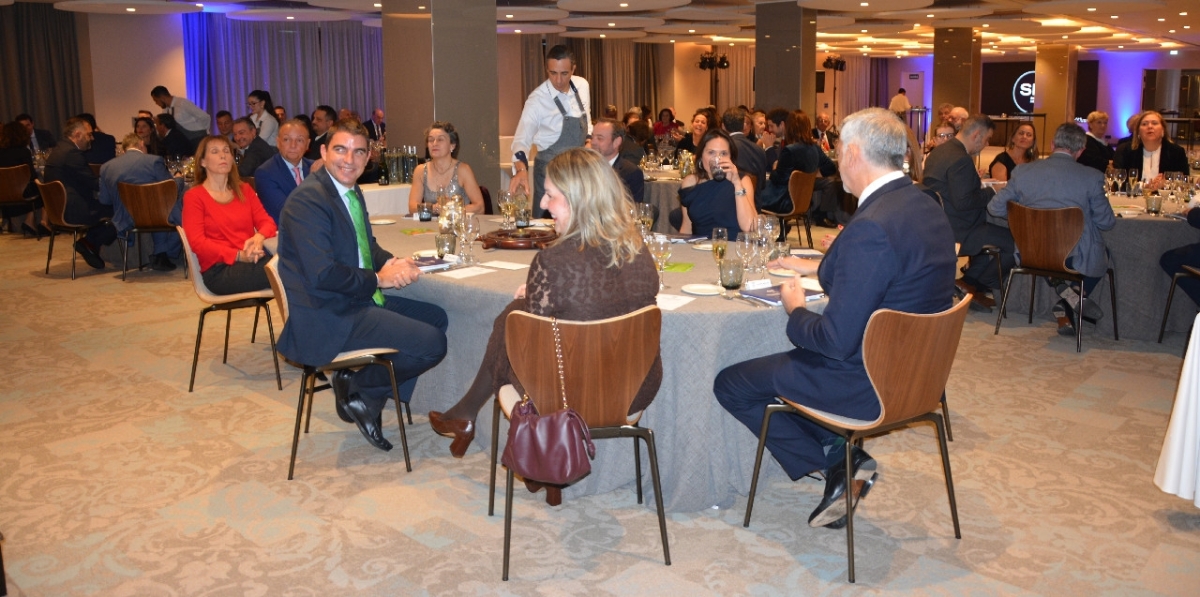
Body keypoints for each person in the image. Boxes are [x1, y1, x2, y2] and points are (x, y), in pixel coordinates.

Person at [715, 107, 957, 530]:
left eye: (840, 148)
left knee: (732, 383)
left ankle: (837, 461)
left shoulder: (873, 225)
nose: (836, 158)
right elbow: (894, 268)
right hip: (919, 375)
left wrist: (795, 310)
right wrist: (820, 265)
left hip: (866, 381)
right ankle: (838, 456)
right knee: (781, 367)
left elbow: (834, 340)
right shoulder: (923, 204)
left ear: (854, 153)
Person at [428, 147, 661, 505]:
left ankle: (472, 417)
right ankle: (469, 417)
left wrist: (533, 296)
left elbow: (534, 353)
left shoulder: (551, 262)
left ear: (579, 199)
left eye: (551, 195)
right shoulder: (640, 252)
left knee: (512, 323)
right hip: (632, 391)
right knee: (517, 314)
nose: (543, 204)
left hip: (564, 398)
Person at [276, 119, 448, 452]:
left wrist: (395, 262)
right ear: (324, 152)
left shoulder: (349, 190)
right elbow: (322, 274)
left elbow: (365, 246)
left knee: (437, 317)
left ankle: (367, 393)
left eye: (358, 152)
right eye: (340, 149)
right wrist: (380, 279)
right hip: (327, 313)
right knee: (432, 343)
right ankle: (363, 388)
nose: (349, 159)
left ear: (368, 157)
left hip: (354, 299)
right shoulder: (307, 201)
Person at [988, 122, 1116, 336]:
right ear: (1081, 150)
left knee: (1052, 252)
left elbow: (994, 208)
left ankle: (1067, 296)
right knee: (1104, 253)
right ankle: (1072, 296)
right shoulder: (1092, 177)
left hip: (1030, 252)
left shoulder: (1022, 172)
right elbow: (1107, 222)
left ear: (1052, 144)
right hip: (1072, 257)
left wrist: (1022, 219)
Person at [922, 114, 1013, 310]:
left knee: (990, 243)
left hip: (940, 222)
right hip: (961, 228)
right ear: (977, 135)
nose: (987, 144)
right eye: (987, 139)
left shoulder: (940, 152)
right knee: (1015, 244)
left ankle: (968, 285)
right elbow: (964, 202)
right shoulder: (961, 159)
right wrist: (993, 190)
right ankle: (976, 285)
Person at [181, 135, 276, 296]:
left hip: (251, 260)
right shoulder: (194, 197)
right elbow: (198, 243)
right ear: (203, 162)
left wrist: (258, 237)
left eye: (226, 151)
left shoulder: (244, 190)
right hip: (219, 271)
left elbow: (268, 223)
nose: (223, 155)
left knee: (293, 264)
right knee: (288, 269)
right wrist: (238, 255)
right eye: (215, 151)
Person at [509, 45, 592, 217]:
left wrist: (589, 142)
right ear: (547, 70)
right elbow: (521, 141)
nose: (558, 80)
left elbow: (587, 120)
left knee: (579, 221)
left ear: (573, 69)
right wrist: (521, 170)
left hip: (577, 173)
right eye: (553, 73)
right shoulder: (537, 100)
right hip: (549, 175)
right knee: (546, 224)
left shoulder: (582, 86)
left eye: (564, 73)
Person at [98, 133, 183, 272]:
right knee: (180, 210)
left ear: (124, 150)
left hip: (125, 219)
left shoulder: (106, 167)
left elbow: (105, 200)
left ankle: (160, 253)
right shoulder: (154, 161)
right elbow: (170, 190)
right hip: (158, 215)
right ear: (142, 144)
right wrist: (179, 179)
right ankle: (164, 253)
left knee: (161, 206)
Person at [44, 117, 115, 269]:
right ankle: (90, 242)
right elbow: (94, 183)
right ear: (77, 135)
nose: (92, 138)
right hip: (74, 210)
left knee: (108, 208)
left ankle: (89, 243)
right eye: (89, 134)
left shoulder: (58, 150)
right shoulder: (72, 154)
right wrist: (116, 182)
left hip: (57, 210)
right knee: (122, 211)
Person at [675, 129, 757, 238]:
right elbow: (687, 227)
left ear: (730, 157)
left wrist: (737, 184)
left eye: (723, 153)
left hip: (733, 246)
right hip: (700, 246)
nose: (717, 159)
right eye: (711, 152)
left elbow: (749, 227)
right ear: (701, 155)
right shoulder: (690, 183)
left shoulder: (742, 180)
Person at [758, 111, 837, 222]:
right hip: (803, 201)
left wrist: (775, 166)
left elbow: (778, 179)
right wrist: (813, 175)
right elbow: (831, 168)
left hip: (784, 200)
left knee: (754, 193)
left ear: (790, 127)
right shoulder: (815, 148)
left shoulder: (790, 150)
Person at [406, 121, 485, 215]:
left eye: (440, 139)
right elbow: (412, 208)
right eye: (431, 140)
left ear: (452, 145)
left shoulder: (463, 170)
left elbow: (480, 207)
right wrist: (432, 208)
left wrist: (451, 209)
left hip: (457, 223)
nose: (434, 143)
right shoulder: (420, 171)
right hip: (430, 224)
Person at [254, 119, 316, 224]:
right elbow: (288, 212)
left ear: (307, 144)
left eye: (299, 140)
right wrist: (313, 180)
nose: (293, 145)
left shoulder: (314, 167)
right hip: (285, 230)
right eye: (286, 139)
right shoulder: (265, 173)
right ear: (278, 142)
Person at [1113, 110, 1191, 191]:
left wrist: (1166, 184)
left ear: (1163, 130)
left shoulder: (1176, 152)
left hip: (1165, 197)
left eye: (1154, 123)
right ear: (1138, 132)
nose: (1150, 126)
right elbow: (1117, 183)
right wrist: (1144, 186)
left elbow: (1184, 182)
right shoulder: (1125, 151)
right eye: (1144, 124)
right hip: (1133, 197)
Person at [0, 121, 44, 236]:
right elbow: (31, 175)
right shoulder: (24, 152)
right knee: (44, 189)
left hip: (3, 193)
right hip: (22, 192)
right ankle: (39, 222)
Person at [590, 118, 644, 203]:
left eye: (600, 138)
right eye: (592, 137)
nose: (593, 142)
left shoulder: (630, 173)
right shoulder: (583, 167)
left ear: (617, 142)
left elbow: (630, 208)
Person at [723, 107, 767, 191]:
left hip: (732, 197)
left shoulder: (724, 148)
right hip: (755, 197)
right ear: (742, 125)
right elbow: (762, 185)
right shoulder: (759, 149)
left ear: (723, 126)